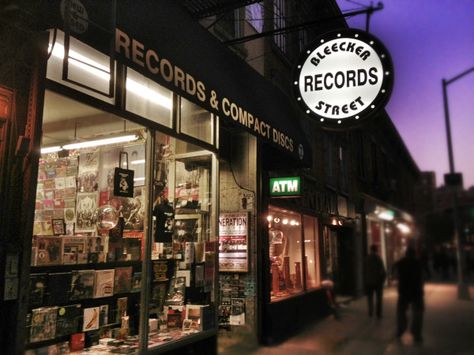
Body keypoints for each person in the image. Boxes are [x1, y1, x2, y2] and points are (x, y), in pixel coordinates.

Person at [393, 246, 424, 343]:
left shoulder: (401, 262)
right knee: (418, 312)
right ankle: (416, 332)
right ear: (414, 254)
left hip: (404, 290)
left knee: (401, 311)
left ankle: (401, 329)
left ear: (406, 253)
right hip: (416, 291)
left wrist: (396, 278)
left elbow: (393, 270)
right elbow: (423, 275)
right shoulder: (418, 263)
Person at [365, 244, 386, 318]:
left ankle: (370, 311)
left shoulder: (367, 259)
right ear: (376, 250)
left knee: (370, 298)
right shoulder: (378, 258)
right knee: (378, 298)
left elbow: (365, 270)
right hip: (378, 282)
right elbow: (382, 271)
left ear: (371, 250)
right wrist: (383, 280)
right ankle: (378, 313)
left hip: (369, 281)